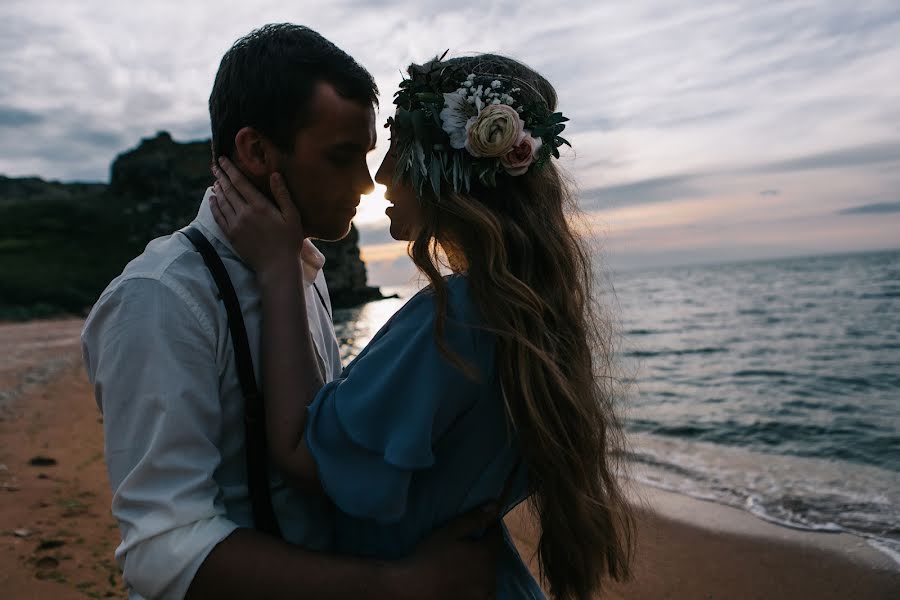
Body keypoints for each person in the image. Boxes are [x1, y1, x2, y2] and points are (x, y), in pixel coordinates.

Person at [81, 25, 500, 600]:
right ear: (257, 151)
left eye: (368, 155)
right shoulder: (159, 299)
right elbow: (164, 552)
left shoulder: (301, 268)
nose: (365, 184)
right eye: (342, 157)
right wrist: (397, 584)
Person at [209, 53, 635, 600]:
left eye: (400, 148)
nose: (380, 174)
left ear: (454, 171)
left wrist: (278, 269)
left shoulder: (458, 315)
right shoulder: (521, 311)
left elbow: (299, 454)